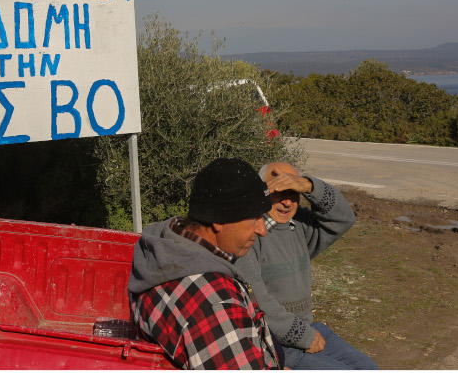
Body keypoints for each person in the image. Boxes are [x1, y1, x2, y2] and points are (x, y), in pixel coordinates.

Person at [128, 157, 283, 370]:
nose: (262, 230)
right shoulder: (214, 304)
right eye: (254, 217)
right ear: (219, 219)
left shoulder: (166, 244)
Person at [234, 161, 379, 370]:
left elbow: (344, 218)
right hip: (273, 340)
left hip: (309, 328)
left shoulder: (299, 224)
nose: (287, 202)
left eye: (294, 193)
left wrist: (310, 186)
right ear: (261, 192)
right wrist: (304, 336)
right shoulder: (249, 236)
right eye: (279, 192)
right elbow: (258, 303)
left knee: (369, 368)